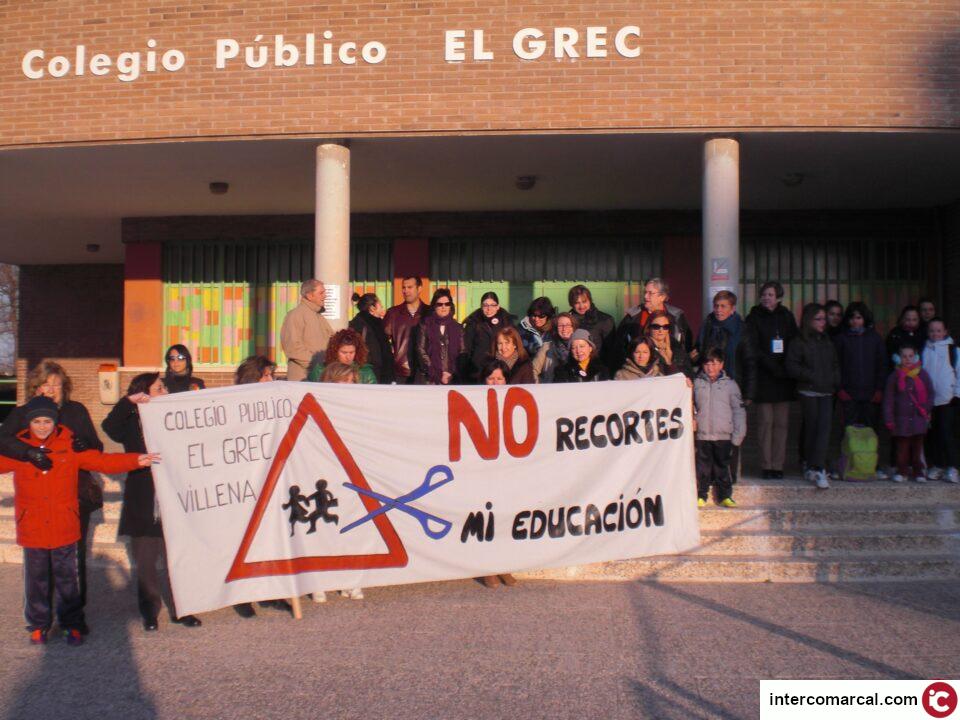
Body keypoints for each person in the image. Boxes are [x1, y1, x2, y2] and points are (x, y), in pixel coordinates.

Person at [1, 396, 156, 645]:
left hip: (64, 526)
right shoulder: (19, 450)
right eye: (37, 421)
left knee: (67, 579)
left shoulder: (69, 446)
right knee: (36, 579)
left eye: (47, 421)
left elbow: (102, 461)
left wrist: (136, 460)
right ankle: (39, 624)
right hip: (33, 528)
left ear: (55, 421)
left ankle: (71, 623)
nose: (42, 426)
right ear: (29, 423)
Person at [0, 360, 103, 633]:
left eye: (57, 384)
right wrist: (27, 452)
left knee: (71, 560)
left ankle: (73, 618)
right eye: (47, 384)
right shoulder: (24, 413)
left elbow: (97, 447)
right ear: (36, 387)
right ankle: (40, 620)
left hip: (75, 495)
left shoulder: (76, 411)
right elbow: (3, 439)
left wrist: (86, 444)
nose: (52, 389)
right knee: (39, 565)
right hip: (38, 498)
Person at [102, 373, 202, 631]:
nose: (164, 391)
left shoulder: (175, 419)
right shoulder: (132, 423)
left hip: (175, 499)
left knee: (178, 558)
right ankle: (150, 612)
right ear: (143, 392)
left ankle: (183, 609)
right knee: (146, 563)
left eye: (164, 387)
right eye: (159, 388)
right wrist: (129, 402)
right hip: (144, 502)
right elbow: (109, 427)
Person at [232, 356, 290, 619]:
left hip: (271, 477)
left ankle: (271, 591)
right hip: (245, 481)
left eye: (271, 375)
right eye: (264, 375)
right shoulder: (234, 404)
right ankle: (242, 594)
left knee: (271, 536)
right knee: (245, 538)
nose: (270, 380)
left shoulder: (275, 401)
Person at [314, 364, 365, 602]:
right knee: (324, 524)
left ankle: (350, 578)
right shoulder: (318, 404)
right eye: (343, 380)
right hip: (324, 471)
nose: (348, 386)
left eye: (352, 381)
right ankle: (319, 580)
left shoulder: (359, 408)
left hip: (352, 472)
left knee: (352, 525)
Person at [745, 281, 799, 480]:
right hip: (764, 377)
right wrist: (770, 364)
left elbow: (794, 342)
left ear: (778, 297)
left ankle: (778, 465)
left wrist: (786, 365)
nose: (767, 298)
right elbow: (752, 345)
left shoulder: (786, 316)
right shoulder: (753, 317)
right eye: (764, 294)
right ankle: (766, 465)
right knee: (765, 423)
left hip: (783, 377)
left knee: (782, 424)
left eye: (770, 294)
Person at [786, 303, 840, 489]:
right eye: (818, 319)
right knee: (812, 427)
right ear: (809, 320)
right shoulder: (799, 342)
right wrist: (811, 376)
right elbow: (792, 366)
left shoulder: (826, 341)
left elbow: (834, 364)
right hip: (808, 390)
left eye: (824, 319)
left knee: (824, 429)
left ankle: (818, 466)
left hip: (826, 391)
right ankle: (811, 464)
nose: (823, 322)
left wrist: (834, 380)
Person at [693, 348, 747, 508]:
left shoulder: (730, 385)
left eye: (714, 363)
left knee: (722, 467)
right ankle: (700, 494)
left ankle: (725, 495)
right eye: (707, 363)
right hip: (703, 434)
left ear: (721, 364)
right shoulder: (696, 383)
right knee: (702, 468)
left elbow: (738, 410)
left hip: (724, 434)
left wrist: (738, 434)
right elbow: (691, 406)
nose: (711, 367)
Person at [883, 346, 934, 483]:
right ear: (899, 358)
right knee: (902, 448)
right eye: (904, 356)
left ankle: (919, 471)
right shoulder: (894, 376)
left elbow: (930, 393)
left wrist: (926, 408)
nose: (907, 359)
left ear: (916, 357)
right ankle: (902, 471)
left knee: (917, 448)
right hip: (901, 420)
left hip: (918, 418)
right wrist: (889, 418)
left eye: (910, 356)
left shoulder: (922, 374)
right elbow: (889, 399)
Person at [616, 277, 695, 365]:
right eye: (645, 292)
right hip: (640, 369)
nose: (645, 296)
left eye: (650, 293)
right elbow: (619, 343)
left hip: (670, 367)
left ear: (662, 297)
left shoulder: (676, 316)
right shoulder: (632, 316)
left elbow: (686, 344)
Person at [695, 290, 757, 402]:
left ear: (732, 309)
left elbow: (750, 363)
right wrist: (694, 357)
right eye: (716, 306)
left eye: (723, 306)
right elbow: (699, 353)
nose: (719, 310)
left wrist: (748, 394)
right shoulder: (707, 326)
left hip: (734, 386)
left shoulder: (742, 330)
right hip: (708, 385)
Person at [833, 302, 886, 429]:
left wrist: (879, 389)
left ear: (865, 318)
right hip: (848, 395)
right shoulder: (841, 339)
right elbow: (835, 366)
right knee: (849, 434)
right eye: (852, 318)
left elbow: (882, 365)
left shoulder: (875, 339)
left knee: (871, 434)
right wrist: (840, 389)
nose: (855, 321)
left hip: (871, 396)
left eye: (858, 317)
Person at [921, 317, 960, 482]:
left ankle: (953, 467)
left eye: (938, 330)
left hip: (948, 400)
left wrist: (957, 394)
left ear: (945, 332)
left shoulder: (953, 350)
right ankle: (936, 465)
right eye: (932, 330)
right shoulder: (925, 349)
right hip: (930, 401)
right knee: (933, 435)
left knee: (947, 433)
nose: (935, 333)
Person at [280, 279, 334, 381]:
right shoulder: (296, 315)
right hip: (303, 378)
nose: (325, 296)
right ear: (310, 296)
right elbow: (293, 348)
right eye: (321, 293)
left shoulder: (319, 316)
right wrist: (317, 364)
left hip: (321, 376)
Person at [383, 276, 428, 383]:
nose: (405, 291)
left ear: (419, 288)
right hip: (400, 372)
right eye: (403, 287)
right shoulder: (393, 313)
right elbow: (383, 343)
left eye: (410, 287)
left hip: (425, 372)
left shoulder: (429, 313)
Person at [463, 291, 515, 382]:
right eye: (485, 305)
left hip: (501, 371)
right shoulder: (473, 322)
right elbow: (467, 348)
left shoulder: (506, 321)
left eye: (492, 305)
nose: (489, 309)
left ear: (497, 306)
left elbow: (515, 345)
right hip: (478, 371)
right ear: (481, 306)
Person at [416, 289, 465, 385]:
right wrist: (436, 373)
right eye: (440, 304)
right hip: (430, 379)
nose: (443, 307)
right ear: (434, 306)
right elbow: (420, 350)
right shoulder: (425, 325)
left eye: (447, 304)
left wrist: (451, 373)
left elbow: (462, 352)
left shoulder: (458, 327)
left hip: (453, 378)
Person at [349, 292, 395, 384]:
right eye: (380, 305)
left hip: (379, 372)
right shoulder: (360, 325)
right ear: (372, 308)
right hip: (368, 372)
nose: (382, 307)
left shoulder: (377, 324)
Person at [567, 284, 616, 366]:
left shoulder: (605, 320)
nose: (581, 306)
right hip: (573, 369)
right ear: (571, 304)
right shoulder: (567, 321)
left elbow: (612, 350)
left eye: (584, 301)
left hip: (598, 368)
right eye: (577, 303)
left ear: (590, 300)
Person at [306, 328, 377, 384]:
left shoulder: (366, 372)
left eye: (351, 352)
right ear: (334, 351)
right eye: (344, 352)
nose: (348, 357)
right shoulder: (320, 371)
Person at [646, 310, 695, 379]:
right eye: (656, 326)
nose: (661, 330)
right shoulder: (643, 347)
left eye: (665, 327)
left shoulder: (676, 346)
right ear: (648, 327)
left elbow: (689, 373)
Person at [533, 312, 577, 383]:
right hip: (550, 391)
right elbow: (533, 370)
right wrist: (541, 386)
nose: (564, 328)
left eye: (568, 325)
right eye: (560, 326)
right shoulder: (546, 347)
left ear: (573, 327)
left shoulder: (579, 347)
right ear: (556, 329)